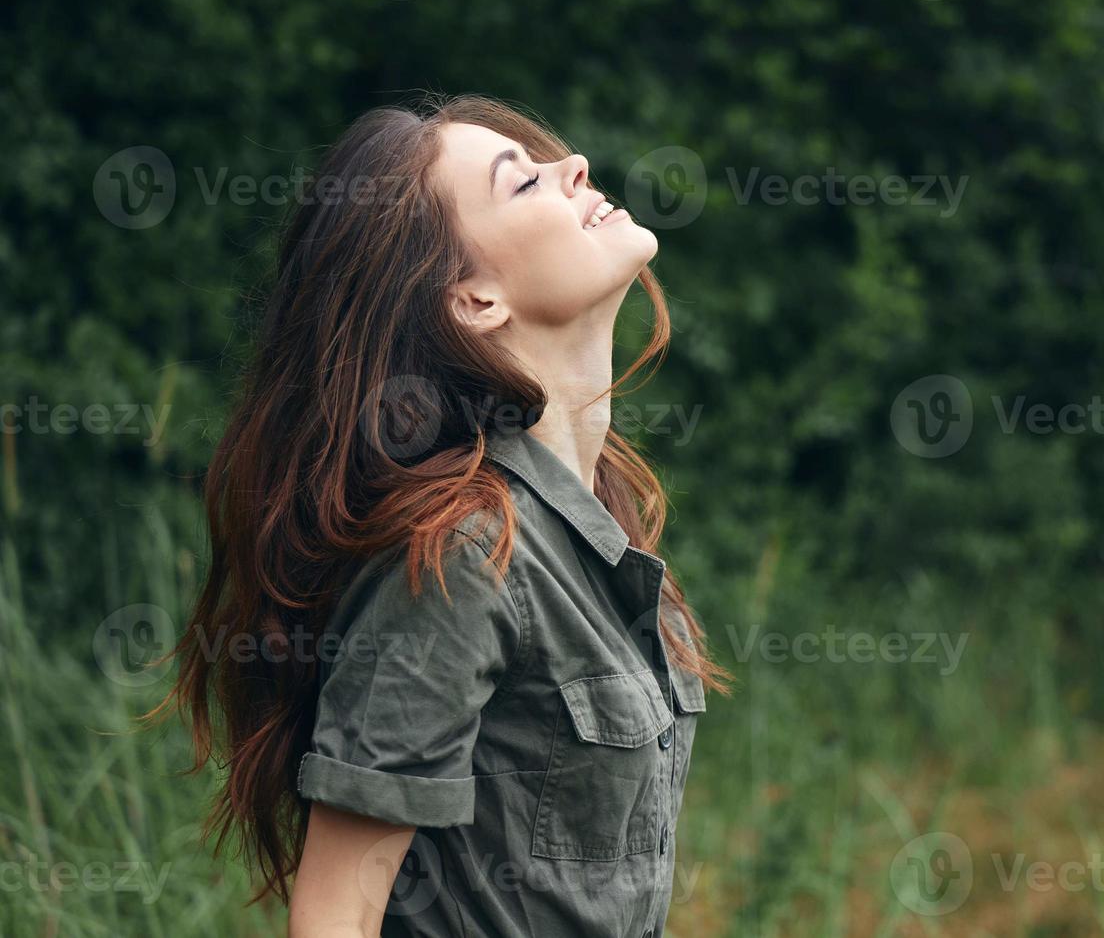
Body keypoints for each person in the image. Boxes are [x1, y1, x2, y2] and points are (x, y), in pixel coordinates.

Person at [161, 95, 730, 937]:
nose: (574, 164)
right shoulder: (462, 555)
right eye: (524, 184)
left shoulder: (591, 525)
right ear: (473, 300)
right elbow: (335, 913)